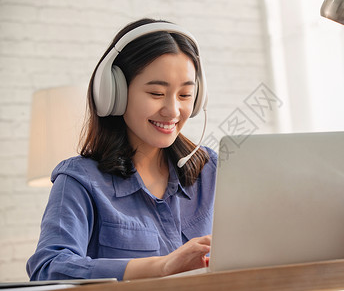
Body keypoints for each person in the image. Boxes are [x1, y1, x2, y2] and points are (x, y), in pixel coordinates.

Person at [26, 18, 217, 281]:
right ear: (115, 93)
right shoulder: (80, 181)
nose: (173, 111)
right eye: (156, 94)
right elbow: (48, 269)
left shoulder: (211, 170)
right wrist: (160, 267)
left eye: (185, 95)